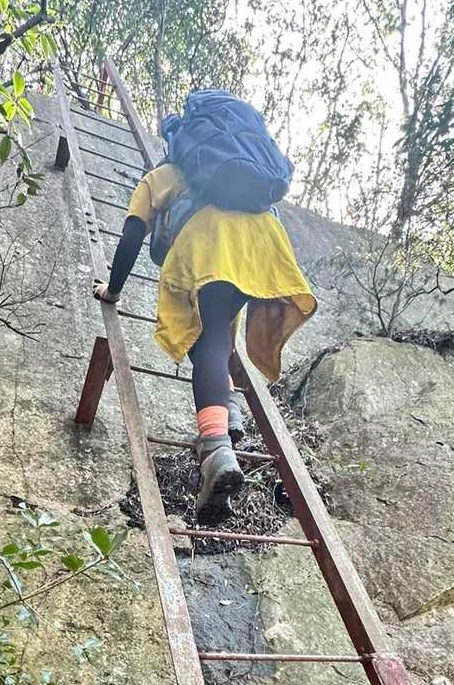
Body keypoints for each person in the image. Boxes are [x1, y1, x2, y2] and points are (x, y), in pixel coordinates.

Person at [94, 149, 316, 523]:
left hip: (210, 239)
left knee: (209, 338)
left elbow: (133, 233)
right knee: (213, 336)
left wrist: (113, 290)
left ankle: (215, 449)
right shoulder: (246, 186)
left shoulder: (163, 175)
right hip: (266, 244)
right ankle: (228, 411)